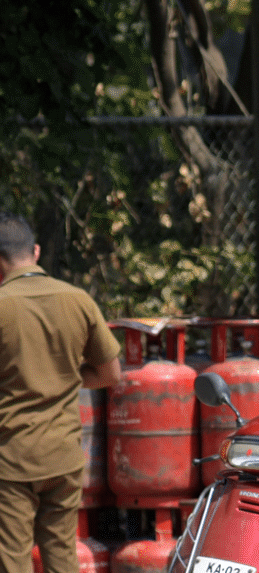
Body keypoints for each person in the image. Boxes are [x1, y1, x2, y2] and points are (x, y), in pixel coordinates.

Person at [0, 213, 122, 573]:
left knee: (12, 558)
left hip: (12, 458)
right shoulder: (78, 299)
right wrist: (65, 377)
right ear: (35, 252)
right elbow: (110, 373)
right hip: (64, 456)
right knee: (61, 555)